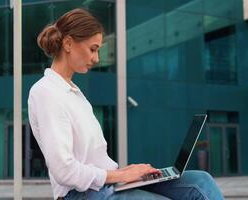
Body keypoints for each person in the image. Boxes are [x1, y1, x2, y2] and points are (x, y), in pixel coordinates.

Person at [28, 8, 224, 200]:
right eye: (92, 49)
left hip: (108, 182)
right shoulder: (46, 92)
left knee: (201, 182)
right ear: (69, 43)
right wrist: (121, 175)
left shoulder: (74, 93)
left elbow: (94, 160)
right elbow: (64, 170)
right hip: (79, 193)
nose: (96, 59)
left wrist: (126, 172)